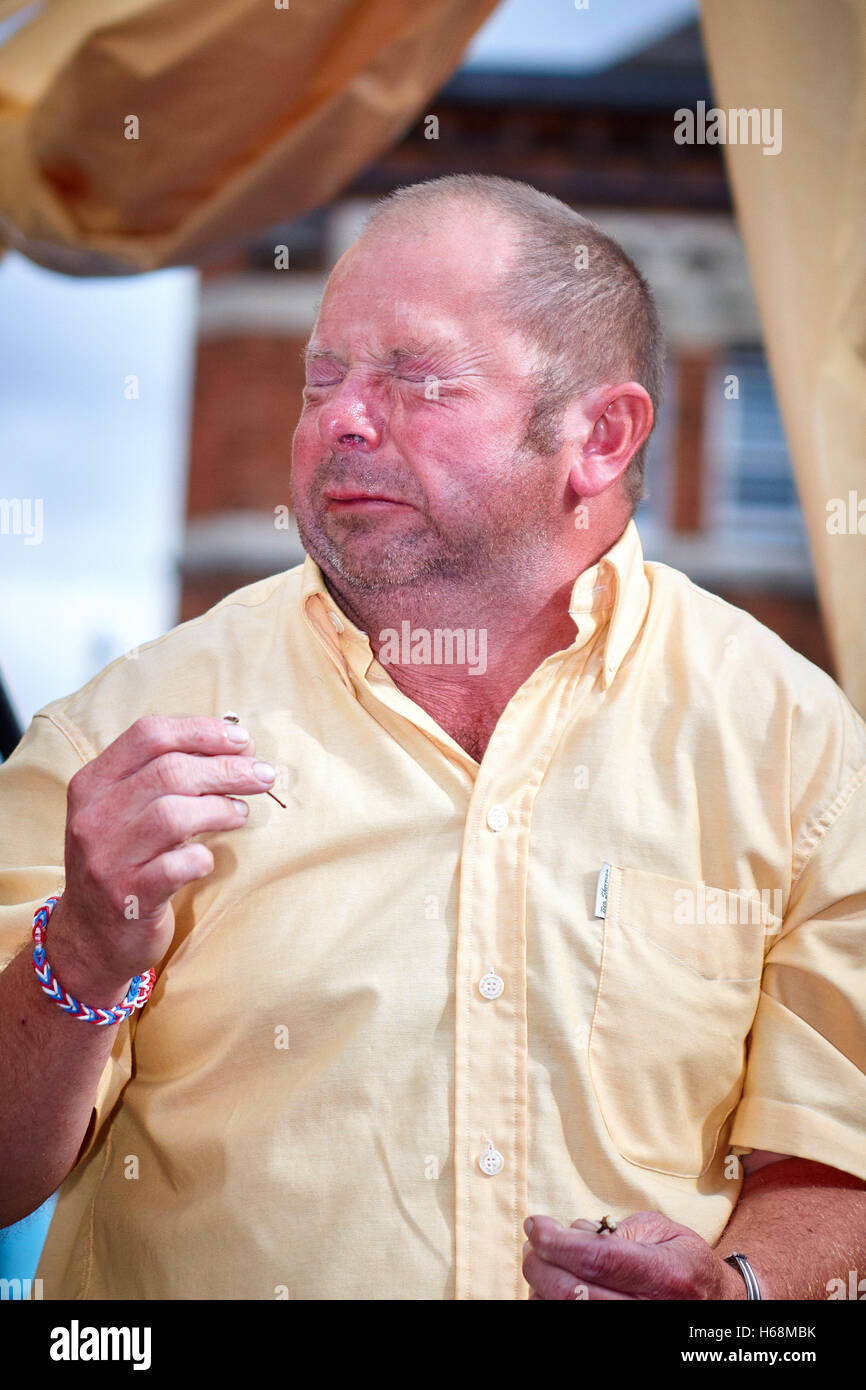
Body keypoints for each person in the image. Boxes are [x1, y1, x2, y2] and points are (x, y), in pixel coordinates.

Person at [1, 175, 864, 1301]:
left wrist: (735, 1298)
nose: (342, 419)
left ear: (598, 435)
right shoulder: (119, 740)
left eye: (417, 379)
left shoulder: (793, 742)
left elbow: (835, 1163)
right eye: (324, 376)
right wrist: (81, 955)